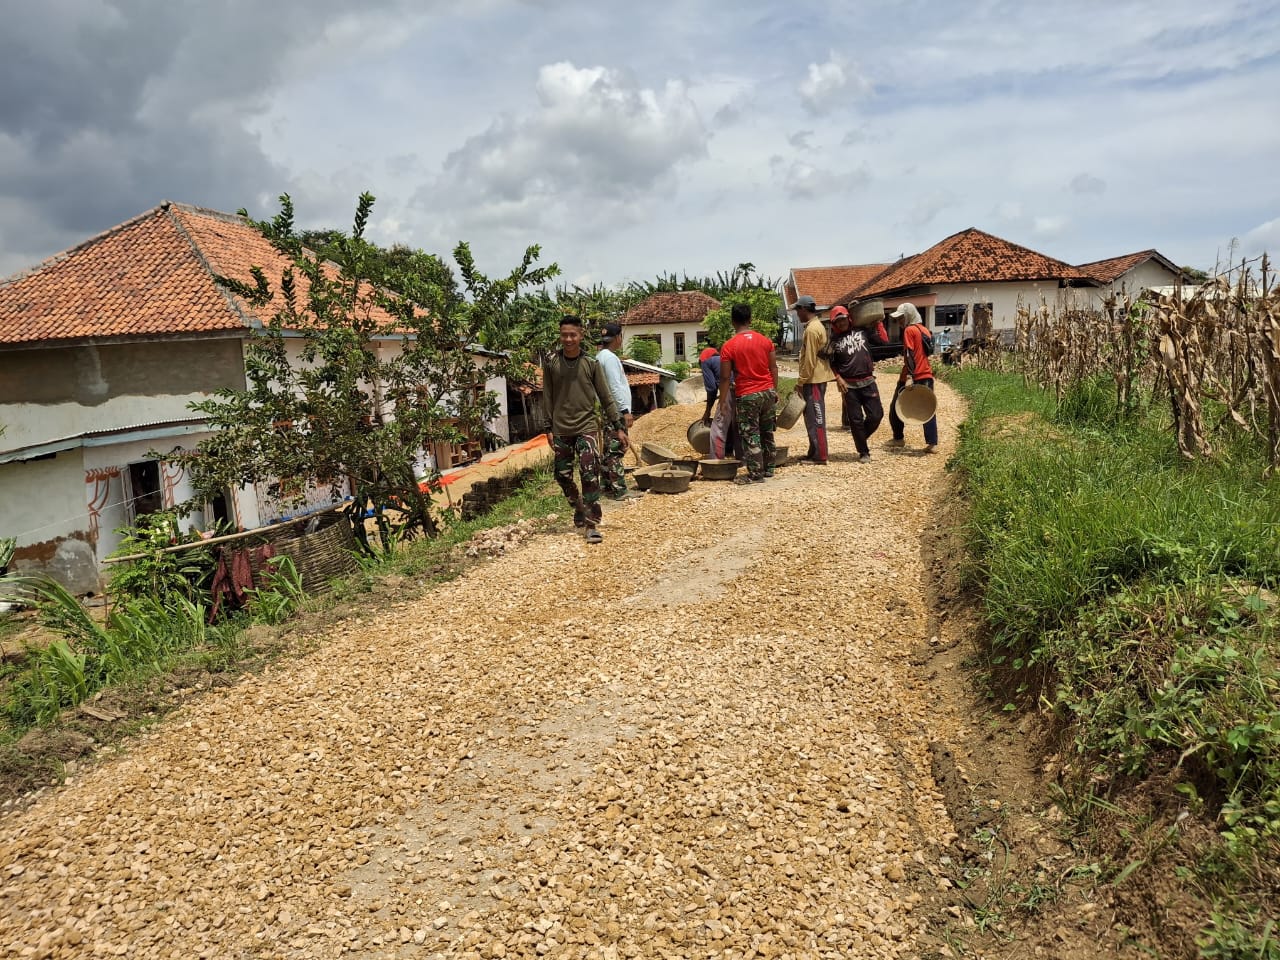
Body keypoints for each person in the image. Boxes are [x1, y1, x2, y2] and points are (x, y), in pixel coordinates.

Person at [541, 316, 628, 543]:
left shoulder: (591, 364)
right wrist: (548, 427)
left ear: (581, 336)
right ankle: (578, 506)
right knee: (562, 476)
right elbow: (547, 397)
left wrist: (619, 427)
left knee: (590, 472)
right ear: (560, 336)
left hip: (587, 427)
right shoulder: (551, 364)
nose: (568, 339)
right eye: (564, 335)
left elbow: (606, 397)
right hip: (561, 429)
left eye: (573, 335)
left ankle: (591, 524)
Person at [719, 302, 779, 483]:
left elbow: (724, 377)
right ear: (750, 319)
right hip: (768, 392)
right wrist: (774, 390)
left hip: (747, 395)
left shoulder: (729, 346)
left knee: (750, 433)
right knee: (767, 431)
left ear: (732, 321)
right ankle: (769, 468)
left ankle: (755, 474)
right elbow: (773, 368)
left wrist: (722, 401)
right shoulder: (766, 341)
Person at [828, 304, 891, 463]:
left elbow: (884, 341)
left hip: (868, 381)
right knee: (855, 420)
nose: (841, 323)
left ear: (849, 319)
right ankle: (863, 452)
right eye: (838, 322)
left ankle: (860, 437)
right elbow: (830, 363)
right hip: (849, 386)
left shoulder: (863, 331)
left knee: (876, 414)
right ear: (834, 325)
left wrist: (878, 323)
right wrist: (838, 378)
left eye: (843, 320)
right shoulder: (833, 341)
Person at [594, 322, 638, 500]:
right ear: (618, 338)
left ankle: (606, 485)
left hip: (607, 409)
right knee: (617, 449)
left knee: (609, 449)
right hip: (616, 410)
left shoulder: (600, 356)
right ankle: (619, 489)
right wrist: (625, 410)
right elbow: (614, 386)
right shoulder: (610, 359)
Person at [886, 302, 938, 452]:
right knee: (928, 408)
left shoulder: (909, 330)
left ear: (909, 316)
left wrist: (910, 376)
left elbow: (909, 355)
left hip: (912, 375)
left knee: (896, 406)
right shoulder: (925, 330)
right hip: (927, 374)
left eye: (901, 318)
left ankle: (898, 438)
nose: (900, 322)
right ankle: (932, 443)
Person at [793, 294, 835, 464]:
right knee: (810, 417)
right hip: (815, 378)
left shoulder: (811, 329)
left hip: (814, 379)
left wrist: (801, 382)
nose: (797, 314)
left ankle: (820, 455)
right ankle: (813, 451)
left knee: (817, 419)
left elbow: (810, 359)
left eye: (797, 310)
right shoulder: (815, 326)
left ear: (804, 309)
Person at [700, 345, 742, 460]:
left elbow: (711, 388)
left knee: (718, 427)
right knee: (736, 425)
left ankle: (716, 461)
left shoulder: (705, 361)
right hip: (742, 389)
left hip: (729, 390)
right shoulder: (724, 358)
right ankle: (741, 458)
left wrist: (707, 411)